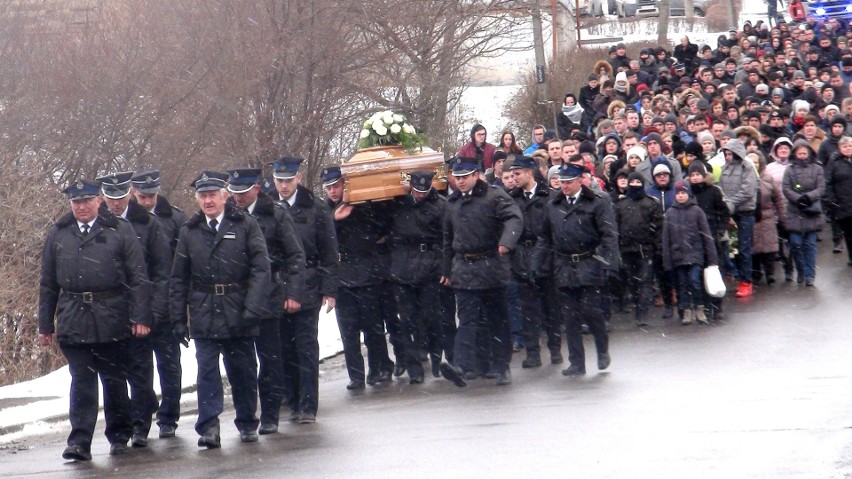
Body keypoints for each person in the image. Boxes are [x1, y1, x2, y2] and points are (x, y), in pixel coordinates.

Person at [39, 179, 151, 461]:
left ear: (98, 201)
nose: (81, 207)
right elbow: (48, 283)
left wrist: (140, 316)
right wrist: (45, 325)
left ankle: (119, 434)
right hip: (73, 316)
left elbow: (138, 278)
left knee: (114, 380)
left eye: (87, 201)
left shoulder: (119, 230)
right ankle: (79, 441)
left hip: (112, 314)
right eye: (76, 203)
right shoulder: (59, 233)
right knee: (82, 381)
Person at [170, 171, 271, 448]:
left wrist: (253, 307)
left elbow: (261, 269)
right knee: (207, 372)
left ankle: (248, 421)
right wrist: (178, 319)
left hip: (239, 308)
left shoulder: (245, 225)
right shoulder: (189, 231)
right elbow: (179, 278)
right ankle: (209, 426)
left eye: (212, 195)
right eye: (203, 196)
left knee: (243, 370)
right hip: (204, 311)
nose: (208, 201)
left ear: (224, 196)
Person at [226, 167, 307, 431]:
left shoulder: (275, 214)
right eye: (234, 192)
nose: (238, 198)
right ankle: (247, 415)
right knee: (242, 363)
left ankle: (270, 415)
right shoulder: (227, 216)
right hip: (237, 298)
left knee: (272, 360)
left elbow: (295, 255)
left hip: (270, 295)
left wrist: (293, 292)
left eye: (244, 192)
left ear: (257, 190)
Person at [96, 171, 171, 449]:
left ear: (129, 194)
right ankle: (119, 429)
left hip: (141, 307)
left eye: (120, 198)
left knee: (140, 370)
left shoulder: (148, 224)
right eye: (110, 198)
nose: (116, 204)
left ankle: (141, 425)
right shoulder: (96, 224)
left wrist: (154, 310)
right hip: (109, 310)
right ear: (104, 197)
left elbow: (162, 272)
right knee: (114, 374)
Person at [439, 157, 523, 387]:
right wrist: (446, 269)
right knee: (467, 319)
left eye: (464, 177)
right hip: (464, 268)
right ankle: (461, 366)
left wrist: (507, 242)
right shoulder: (451, 202)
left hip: (491, 265)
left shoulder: (494, 196)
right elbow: (447, 239)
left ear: (476, 175)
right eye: (457, 178)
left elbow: (514, 218)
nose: (460, 181)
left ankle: (502, 366)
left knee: (497, 319)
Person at [534, 163, 619, 377]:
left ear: (580, 181)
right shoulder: (553, 205)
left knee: (591, 311)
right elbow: (545, 237)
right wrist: (536, 264)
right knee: (569, 317)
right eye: (561, 182)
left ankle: (602, 350)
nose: (564, 186)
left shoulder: (597, 203)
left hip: (589, 261)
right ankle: (576, 362)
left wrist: (610, 262)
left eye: (569, 182)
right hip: (563, 265)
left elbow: (608, 234)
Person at [270, 157, 338, 425]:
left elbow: (329, 252)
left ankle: (308, 404)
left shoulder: (316, 209)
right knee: (283, 347)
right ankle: (291, 399)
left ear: (298, 179)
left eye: (288, 180)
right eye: (279, 181)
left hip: (308, 282)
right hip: (277, 284)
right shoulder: (268, 208)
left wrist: (329, 288)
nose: (284, 186)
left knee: (306, 348)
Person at [324, 166, 395, 390]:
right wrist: (334, 219)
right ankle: (356, 375)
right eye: (328, 188)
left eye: (336, 186)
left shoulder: (364, 205)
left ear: (345, 184)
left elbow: (381, 228)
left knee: (373, 326)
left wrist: (357, 207)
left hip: (366, 271)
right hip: (342, 274)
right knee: (348, 329)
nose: (333, 192)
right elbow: (320, 238)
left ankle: (378, 369)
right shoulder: (326, 211)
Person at [130, 170, 186, 439]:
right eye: (142, 197)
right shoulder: (126, 221)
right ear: (133, 194)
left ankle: (168, 417)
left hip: (168, 298)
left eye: (151, 196)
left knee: (169, 364)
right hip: (137, 302)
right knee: (139, 366)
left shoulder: (174, 217)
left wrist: (174, 304)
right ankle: (144, 409)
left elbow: (179, 264)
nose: (147, 202)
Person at [388, 171, 446, 383]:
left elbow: (446, 238)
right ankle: (414, 369)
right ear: (410, 186)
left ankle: (437, 359)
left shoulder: (440, 205)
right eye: (417, 190)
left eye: (425, 190)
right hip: (403, 268)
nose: (420, 194)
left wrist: (442, 268)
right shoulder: (398, 204)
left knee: (431, 317)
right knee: (407, 321)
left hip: (429, 266)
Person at [508, 156, 562, 367]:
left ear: (529, 173)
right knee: (528, 311)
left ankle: (555, 349)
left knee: (551, 308)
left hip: (547, 258)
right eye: (512, 175)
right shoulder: (511, 199)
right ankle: (533, 353)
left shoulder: (550, 196)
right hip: (522, 258)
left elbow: (555, 230)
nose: (514, 178)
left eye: (517, 174)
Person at [662, 182, 719, 325]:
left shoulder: (697, 211)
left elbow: (706, 235)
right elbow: (666, 239)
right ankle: (686, 310)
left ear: (688, 194)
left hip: (695, 255)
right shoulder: (670, 213)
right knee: (682, 284)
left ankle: (699, 308)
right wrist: (667, 261)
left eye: (683, 193)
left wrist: (712, 258)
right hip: (678, 256)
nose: (681, 196)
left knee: (695, 281)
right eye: (678, 193)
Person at [614, 172, 664, 326]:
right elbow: (615, 227)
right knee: (632, 281)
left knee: (645, 281)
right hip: (627, 249)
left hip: (646, 248)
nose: (635, 184)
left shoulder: (651, 203)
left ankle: (642, 314)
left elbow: (659, 226)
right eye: (632, 181)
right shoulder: (620, 204)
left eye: (638, 181)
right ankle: (637, 307)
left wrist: (658, 246)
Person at [718, 139, 759, 297]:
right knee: (730, 248)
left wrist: (730, 203)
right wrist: (726, 204)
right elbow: (720, 187)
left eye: (729, 153)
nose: (727, 157)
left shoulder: (747, 167)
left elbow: (747, 190)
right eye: (726, 153)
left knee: (744, 248)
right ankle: (735, 275)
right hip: (730, 212)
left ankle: (746, 281)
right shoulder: (724, 168)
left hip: (745, 212)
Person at [782, 141, 825, 287]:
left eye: (804, 153)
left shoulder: (817, 168)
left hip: (811, 211)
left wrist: (808, 197)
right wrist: (798, 199)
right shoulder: (789, 170)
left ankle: (810, 275)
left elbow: (821, 188)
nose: (802, 156)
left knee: (810, 245)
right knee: (795, 244)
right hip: (795, 211)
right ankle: (800, 269)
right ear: (795, 154)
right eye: (799, 153)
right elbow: (786, 188)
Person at [751, 153, 786, 286]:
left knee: (769, 249)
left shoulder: (768, 179)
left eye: (756, 162)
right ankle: (756, 272)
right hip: (752, 218)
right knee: (754, 249)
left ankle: (770, 273)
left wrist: (782, 216)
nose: (754, 164)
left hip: (768, 218)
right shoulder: (746, 179)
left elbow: (778, 198)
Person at [825, 136, 852, 266]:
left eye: (850, 146)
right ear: (840, 148)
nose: (848, 148)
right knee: (849, 232)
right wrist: (831, 199)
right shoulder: (834, 162)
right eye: (845, 146)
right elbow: (828, 182)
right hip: (843, 203)